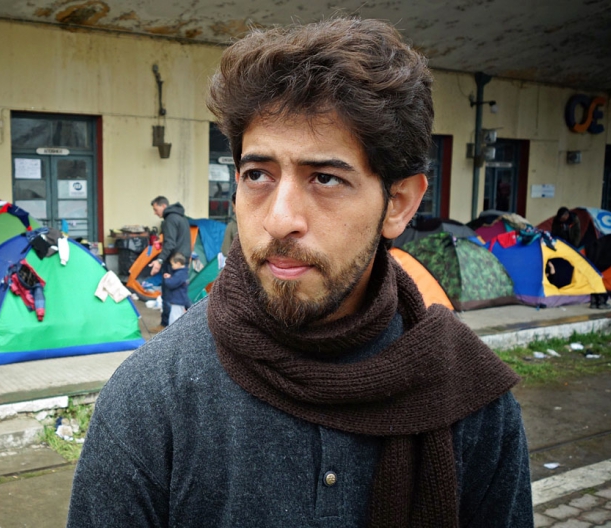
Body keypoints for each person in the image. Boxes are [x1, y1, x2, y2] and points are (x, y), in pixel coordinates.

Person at [69, 17, 531, 527]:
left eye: (326, 178)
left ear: (398, 204)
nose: (279, 219)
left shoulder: (470, 401)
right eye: (258, 175)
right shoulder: (152, 400)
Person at [149, 196, 191, 328]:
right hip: (183, 260)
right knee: (180, 291)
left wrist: (159, 260)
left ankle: (164, 325)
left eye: (156, 209)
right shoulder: (181, 217)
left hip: (174, 263)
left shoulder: (169, 219)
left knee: (168, 293)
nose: (155, 213)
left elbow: (170, 243)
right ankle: (187, 320)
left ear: (163, 206)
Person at [161, 252, 191, 325]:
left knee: (174, 319)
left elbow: (171, 284)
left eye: (172, 264)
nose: (171, 266)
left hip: (177, 300)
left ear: (178, 263)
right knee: (177, 317)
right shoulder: (183, 273)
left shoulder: (180, 274)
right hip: (180, 300)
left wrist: (167, 279)